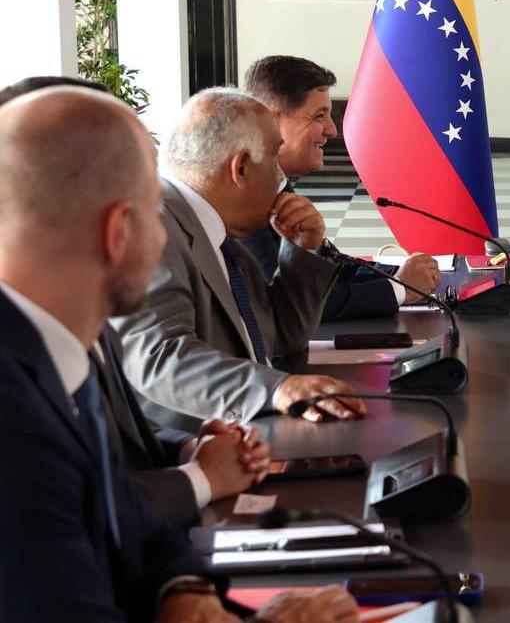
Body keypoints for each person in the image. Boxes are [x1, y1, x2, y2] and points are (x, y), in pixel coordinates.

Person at [0, 86, 358, 621]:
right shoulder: (14, 415)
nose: (165, 219)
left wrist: (181, 586)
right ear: (119, 232)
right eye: (152, 206)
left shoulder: (71, 346)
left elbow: (118, 503)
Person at [0, 76, 272, 529]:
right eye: (151, 207)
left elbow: (115, 447)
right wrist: (201, 478)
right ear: (117, 229)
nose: (164, 230)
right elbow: (86, 521)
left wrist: (186, 449)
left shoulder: (89, 325)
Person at [111, 88, 367, 431]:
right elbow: (158, 357)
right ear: (241, 168)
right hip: (197, 452)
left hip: (253, 434)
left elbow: (281, 334)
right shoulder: (153, 227)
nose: (281, 177)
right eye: (275, 158)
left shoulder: (213, 227)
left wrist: (302, 251)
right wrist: (277, 389)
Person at [240, 55, 441, 320]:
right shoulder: (241, 201)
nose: (332, 130)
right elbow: (294, 303)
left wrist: (400, 273)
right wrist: (399, 289)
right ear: (273, 122)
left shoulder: (276, 183)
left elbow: (327, 268)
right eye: (319, 116)